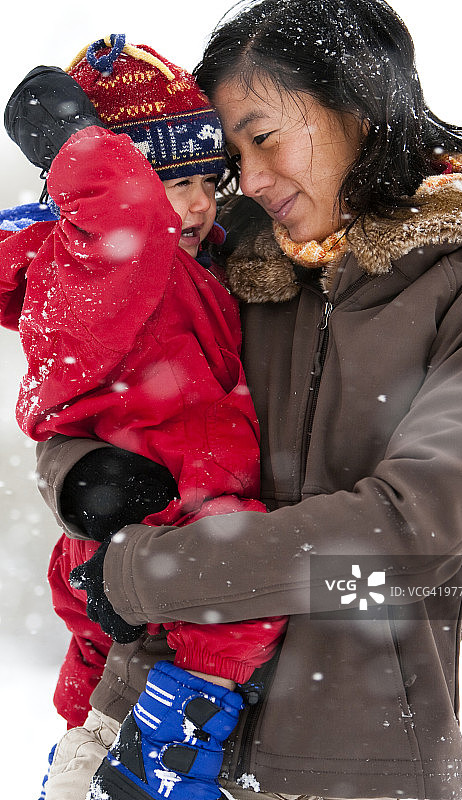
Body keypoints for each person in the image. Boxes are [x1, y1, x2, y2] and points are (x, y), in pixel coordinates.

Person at [21, 0, 462, 798]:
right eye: (233, 155)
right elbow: (93, 390)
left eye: (264, 136)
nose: (250, 180)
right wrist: (81, 474)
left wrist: (142, 578)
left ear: (360, 108)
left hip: (349, 767)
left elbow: (408, 530)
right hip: (139, 741)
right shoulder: (225, 249)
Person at [1, 34, 287, 800]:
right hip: (175, 510)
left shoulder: (179, 259)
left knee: (97, 691)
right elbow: (121, 208)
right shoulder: (96, 260)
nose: (195, 204)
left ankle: (90, 757)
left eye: (206, 179)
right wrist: (75, 141)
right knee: (227, 613)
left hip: (163, 508)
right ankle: (160, 763)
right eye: (167, 179)